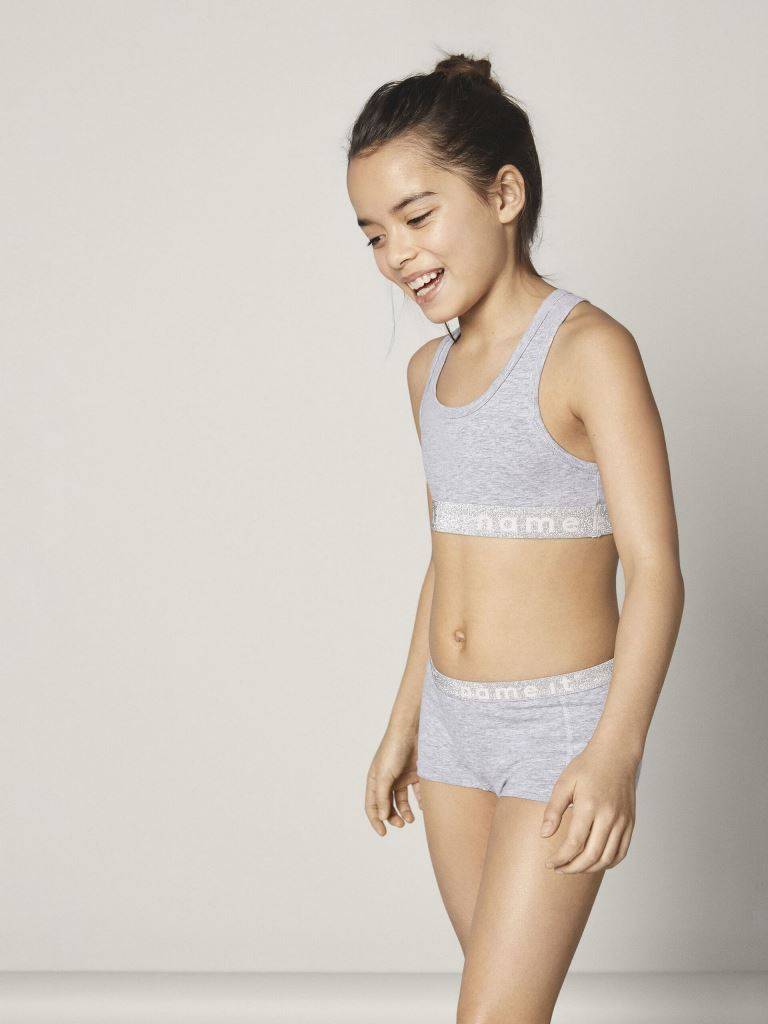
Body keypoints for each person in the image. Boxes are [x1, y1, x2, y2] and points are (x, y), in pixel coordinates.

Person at [346, 50, 685, 1024]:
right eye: (373, 234)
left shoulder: (590, 352)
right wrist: (406, 718)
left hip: (558, 731)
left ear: (503, 194)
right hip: (453, 732)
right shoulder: (426, 373)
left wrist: (616, 752)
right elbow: (446, 557)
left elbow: (657, 572)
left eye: (416, 217)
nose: (396, 255)